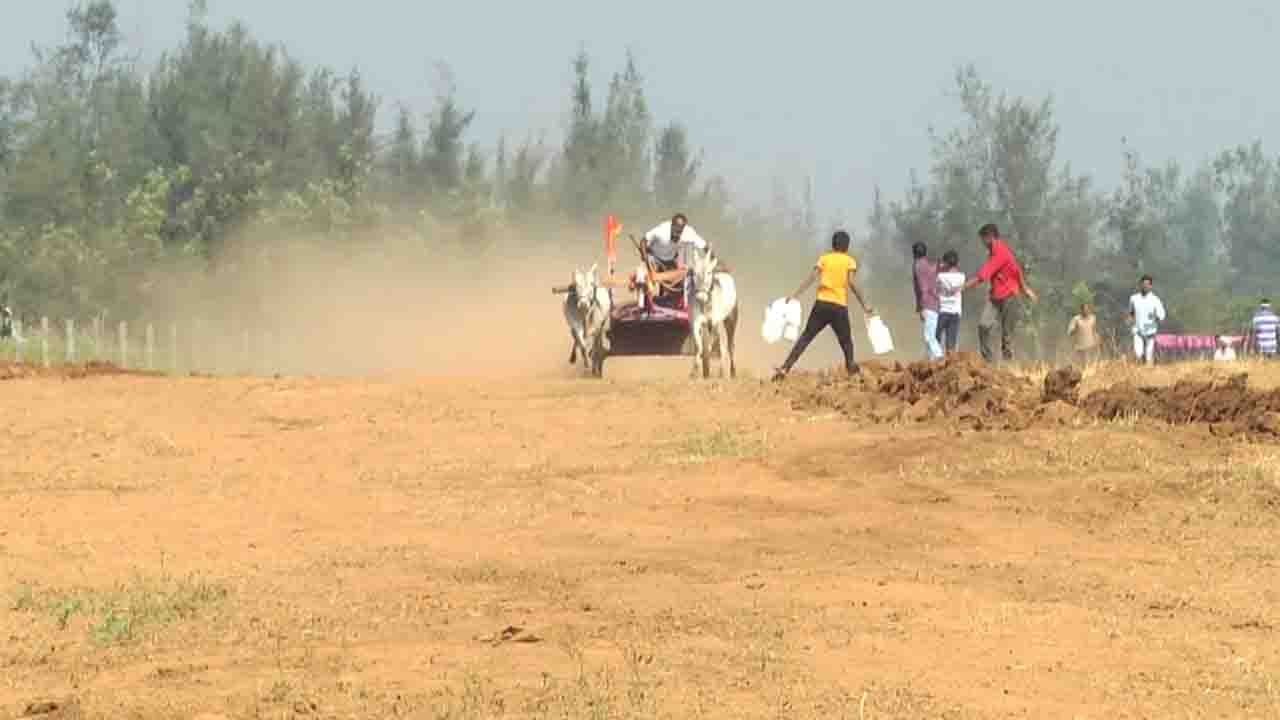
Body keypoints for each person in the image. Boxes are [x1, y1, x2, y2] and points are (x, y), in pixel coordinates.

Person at [772, 230, 874, 381]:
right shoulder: (849, 261)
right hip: (838, 306)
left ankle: (785, 368)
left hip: (821, 304)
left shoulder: (824, 258)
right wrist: (864, 304)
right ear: (847, 246)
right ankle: (851, 368)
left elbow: (812, 278)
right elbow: (851, 283)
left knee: (806, 337)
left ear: (833, 245)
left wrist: (795, 295)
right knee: (846, 341)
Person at [962, 224, 1037, 364]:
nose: (982, 243)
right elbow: (1016, 269)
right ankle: (989, 362)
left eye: (983, 239)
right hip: (995, 297)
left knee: (1006, 335)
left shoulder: (1000, 251)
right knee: (983, 325)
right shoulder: (994, 251)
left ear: (990, 237)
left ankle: (1008, 367)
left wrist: (964, 287)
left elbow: (983, 275)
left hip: (1009, 295)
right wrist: (1025, 288)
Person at [912, 242, 943, 360]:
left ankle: (940, 357)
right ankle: (932, 361)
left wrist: (921, 307)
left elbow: (922, 288)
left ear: (914, 253)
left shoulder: (918, 266)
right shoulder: (929, 265)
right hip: (935, 303)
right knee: (930, 334)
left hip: (928, 304)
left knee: (929, 336)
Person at [1127, 274, 1165, 366]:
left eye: (1147, 284)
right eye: (1143, 284)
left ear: (1151, 286)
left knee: (1148, 358)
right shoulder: (1134, 298)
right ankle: (1141, 363)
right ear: (1140, 285)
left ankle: (1148, 373)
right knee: (1138, 354)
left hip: (1150, 332)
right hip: (1138, 331)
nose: (1145, 286)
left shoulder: (1155, 300)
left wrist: (1155, 317)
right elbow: (1131, 312)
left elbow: (1162, 315)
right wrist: (1129, 319)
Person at [935, 250, 965, 354]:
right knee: (951, 342)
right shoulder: (962, 277)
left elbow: (936, 288)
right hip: (955, 313)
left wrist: (939, 269)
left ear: (946, 263)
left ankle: (934, 361)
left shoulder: (940, 277)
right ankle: (950, 364)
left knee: (936, 339)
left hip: (942, 311)